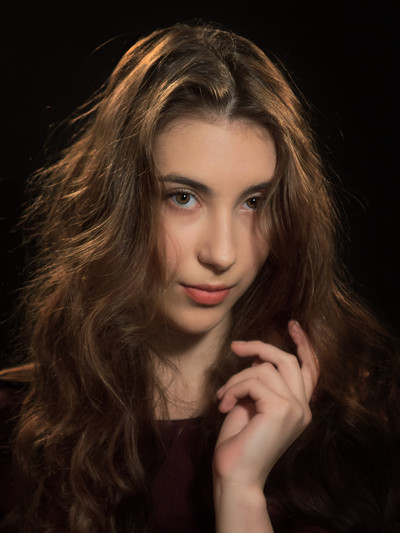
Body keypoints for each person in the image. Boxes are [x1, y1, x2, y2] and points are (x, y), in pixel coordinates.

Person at [0, 21, 399, 533]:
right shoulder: (13, 427)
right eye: (183, 197)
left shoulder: (365, 420)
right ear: (119, 207)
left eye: (254, 202)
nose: (222, 254)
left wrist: (240, 491)